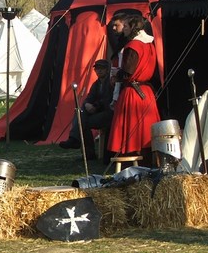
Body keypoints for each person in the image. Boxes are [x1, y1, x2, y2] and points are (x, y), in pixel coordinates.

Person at [107, 11, 161, 158]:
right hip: (146, 93)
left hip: (133, 93)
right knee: (145, 129)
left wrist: (116, 76)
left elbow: (127, 72)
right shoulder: (149, 44)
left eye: (125, 26)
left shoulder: (133, 46)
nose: (123, 29)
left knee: (132, 133)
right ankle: (145, 160)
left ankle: (131, 161)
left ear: (132, 27)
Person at [59, 59, 114, 159]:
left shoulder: (111, 83)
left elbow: (108, 99)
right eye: (97, 68)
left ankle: (77, 142)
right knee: (80, 112)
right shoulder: (96, 84)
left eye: (102, 68)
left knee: (83, 122)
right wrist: (87, 104)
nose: (99, 70)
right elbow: (89, 97)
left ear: (107, 70)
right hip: (99, 113)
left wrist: (95, 106)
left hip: (109, 113)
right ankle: (81, 145)